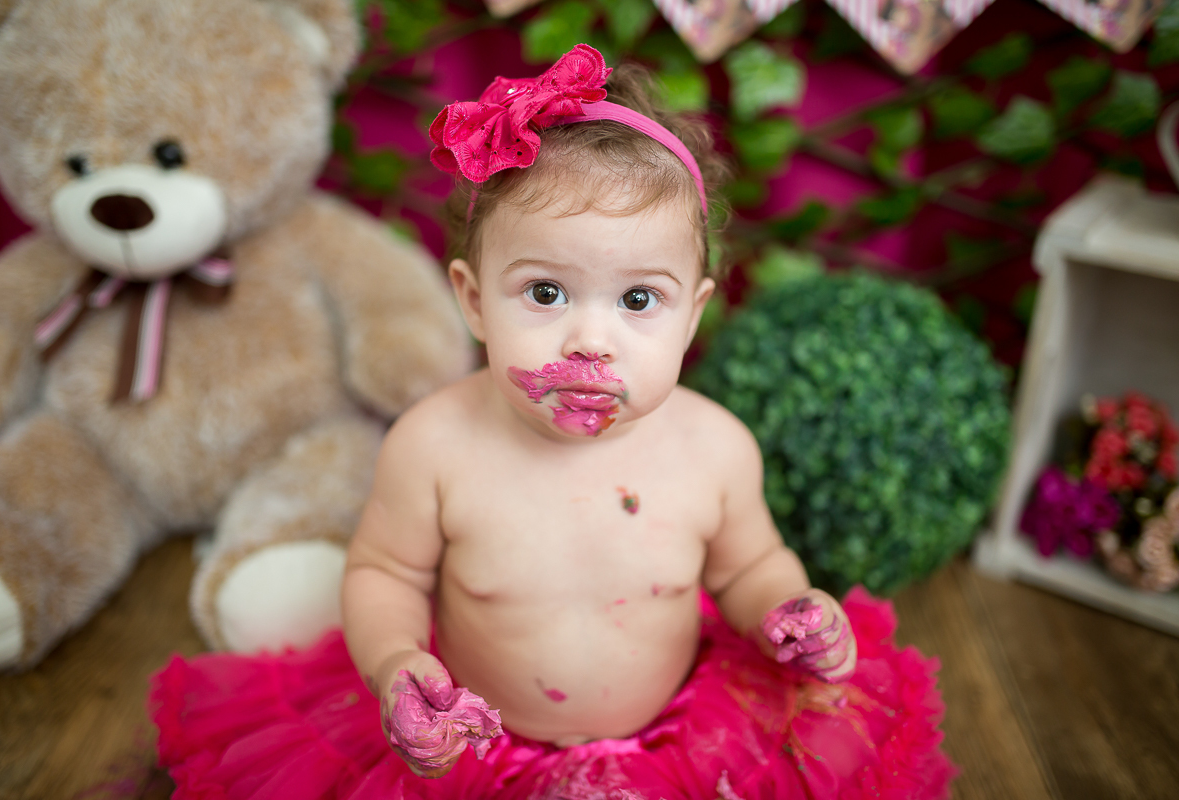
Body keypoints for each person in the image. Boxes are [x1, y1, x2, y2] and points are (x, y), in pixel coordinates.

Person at [151, 45, 955, 800]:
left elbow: (749, 568)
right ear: (473, 299)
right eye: (545, 292)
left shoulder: (714, 449)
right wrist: (397, 662)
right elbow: (383, 575)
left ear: (692, 316)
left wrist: (787, 607)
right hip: (477, 748)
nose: (590, 341)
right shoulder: (434, 446)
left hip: (678, 739)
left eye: (639, 300)